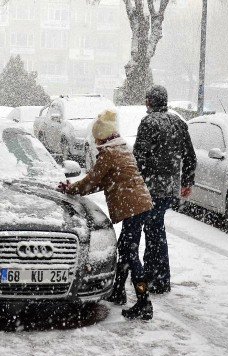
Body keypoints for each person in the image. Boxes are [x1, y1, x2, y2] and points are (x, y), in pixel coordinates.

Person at [58, 109, 155, 320]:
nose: (95, 140)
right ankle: (119, 291)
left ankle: (144, 301)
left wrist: (70, 189)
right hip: (140, 205)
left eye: (96, 136)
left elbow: (92, 179)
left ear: (102, 135)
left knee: (130, 254)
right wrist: (75, 188)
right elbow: (102, 182)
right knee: (126, 248)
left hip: (134, 208)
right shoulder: (121, 149)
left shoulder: (109, 153)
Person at [132, 85, 197, 294]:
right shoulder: (178, 122)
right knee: (156, 229)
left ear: (150, 101)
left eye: (147, 100)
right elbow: (190, 156)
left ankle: (154, 277)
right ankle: (159, 278)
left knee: (152, 230)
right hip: (169, 188)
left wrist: (135, 181)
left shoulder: (148, 123)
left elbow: (139, 156)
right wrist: (187, 182)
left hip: (150, 187)